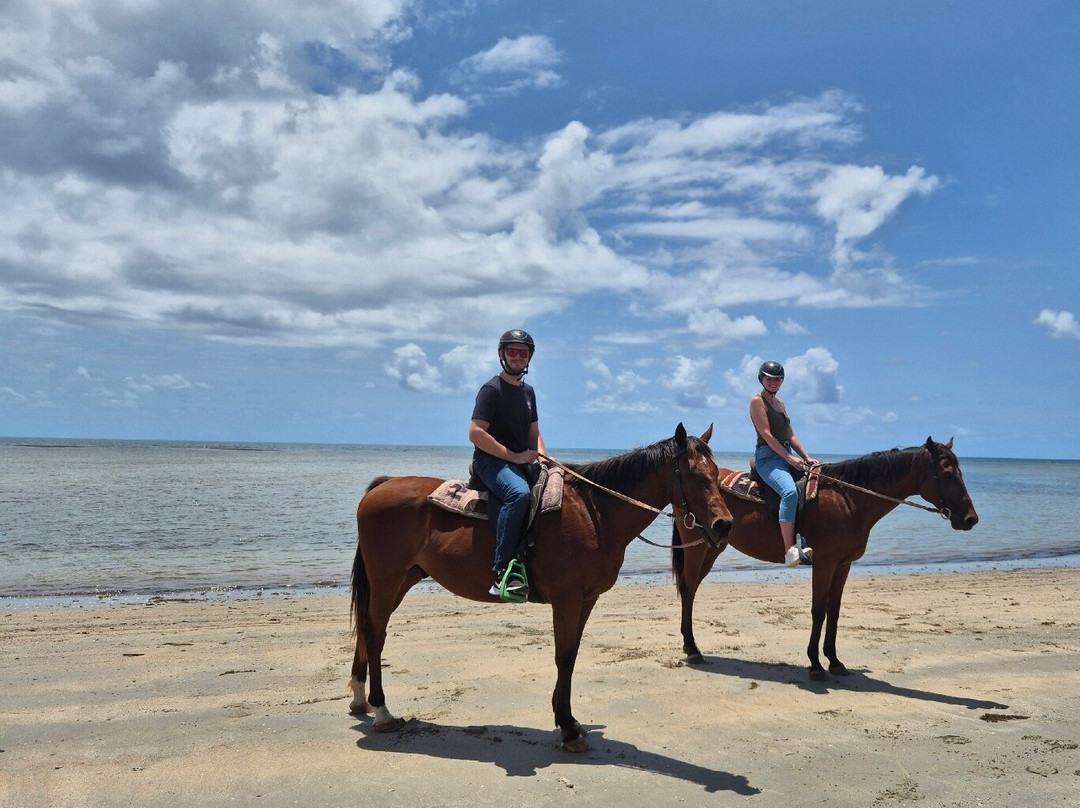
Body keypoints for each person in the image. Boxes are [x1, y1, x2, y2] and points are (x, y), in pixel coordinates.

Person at [469, 329, 546, 599]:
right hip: (491, 461)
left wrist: (544, 458)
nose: (517, 357)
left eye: (523, 353)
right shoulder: (491, 390)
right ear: (502, 355)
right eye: (512, 352)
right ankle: (503, 571)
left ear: (529, 358)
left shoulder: (528, 393)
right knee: (519, 493)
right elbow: (476, 433)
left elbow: (533, 433)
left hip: (520, 460)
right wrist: (514, 457)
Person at [750, 360, 817, 567]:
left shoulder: (781, 404)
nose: (773, 382)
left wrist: (806, 457)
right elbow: (767, 435)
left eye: (777, 379)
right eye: (769, 378)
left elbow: (790, 435)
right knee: (789, 492)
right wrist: (789, 459)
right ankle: (789, 550)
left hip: (786, 453)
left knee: (812, 486)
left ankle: (803, 537)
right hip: (768, 457)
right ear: (762, 379)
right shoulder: (757, 401)